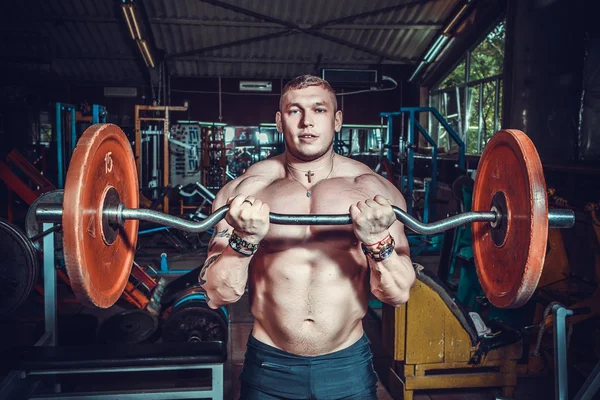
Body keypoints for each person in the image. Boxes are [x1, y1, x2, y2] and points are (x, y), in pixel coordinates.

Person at [199, 75, 416, 399]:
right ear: (278, 121)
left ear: (337, 119)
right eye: (294, 111)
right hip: (269, 366)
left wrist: (376, 242)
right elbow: (216, 294)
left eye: (319, 109)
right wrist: (243, 241)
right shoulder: (244, 191)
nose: (306, 122)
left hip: (348, 365)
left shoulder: (374, 190)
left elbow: (398, 293)